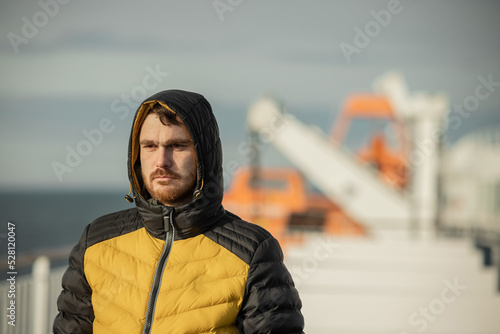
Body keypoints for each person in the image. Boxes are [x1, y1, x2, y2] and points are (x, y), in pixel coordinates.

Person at [53, 89, 304, 333]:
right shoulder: (96, 240)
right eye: (150, 146)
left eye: (177, 145)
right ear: (137, 156)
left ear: (204, 156)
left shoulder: (253, 253)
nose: (161, 161)